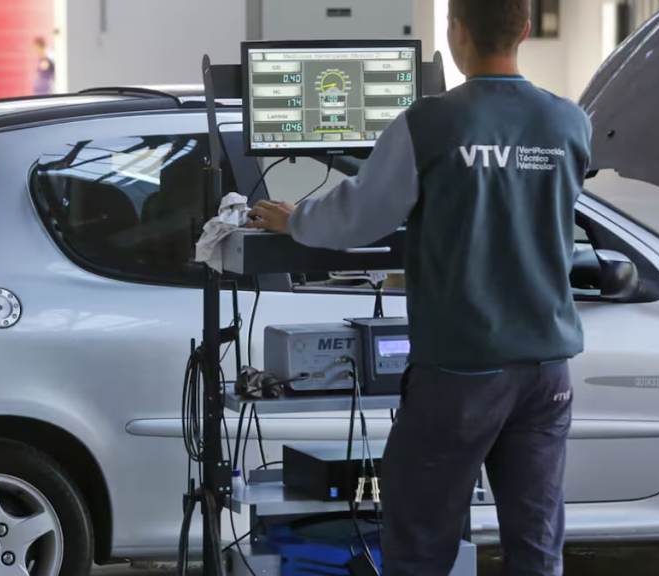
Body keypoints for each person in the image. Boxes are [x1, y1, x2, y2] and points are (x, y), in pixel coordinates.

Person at [249, 0, 590, 574]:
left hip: (462, 368)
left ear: (455, 32)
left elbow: (359, 216)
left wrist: (296, 220)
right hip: (547, 369)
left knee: (419, 544)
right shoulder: (568, 122)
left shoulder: (430, 122)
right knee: (535, 544)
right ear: (526, 30)